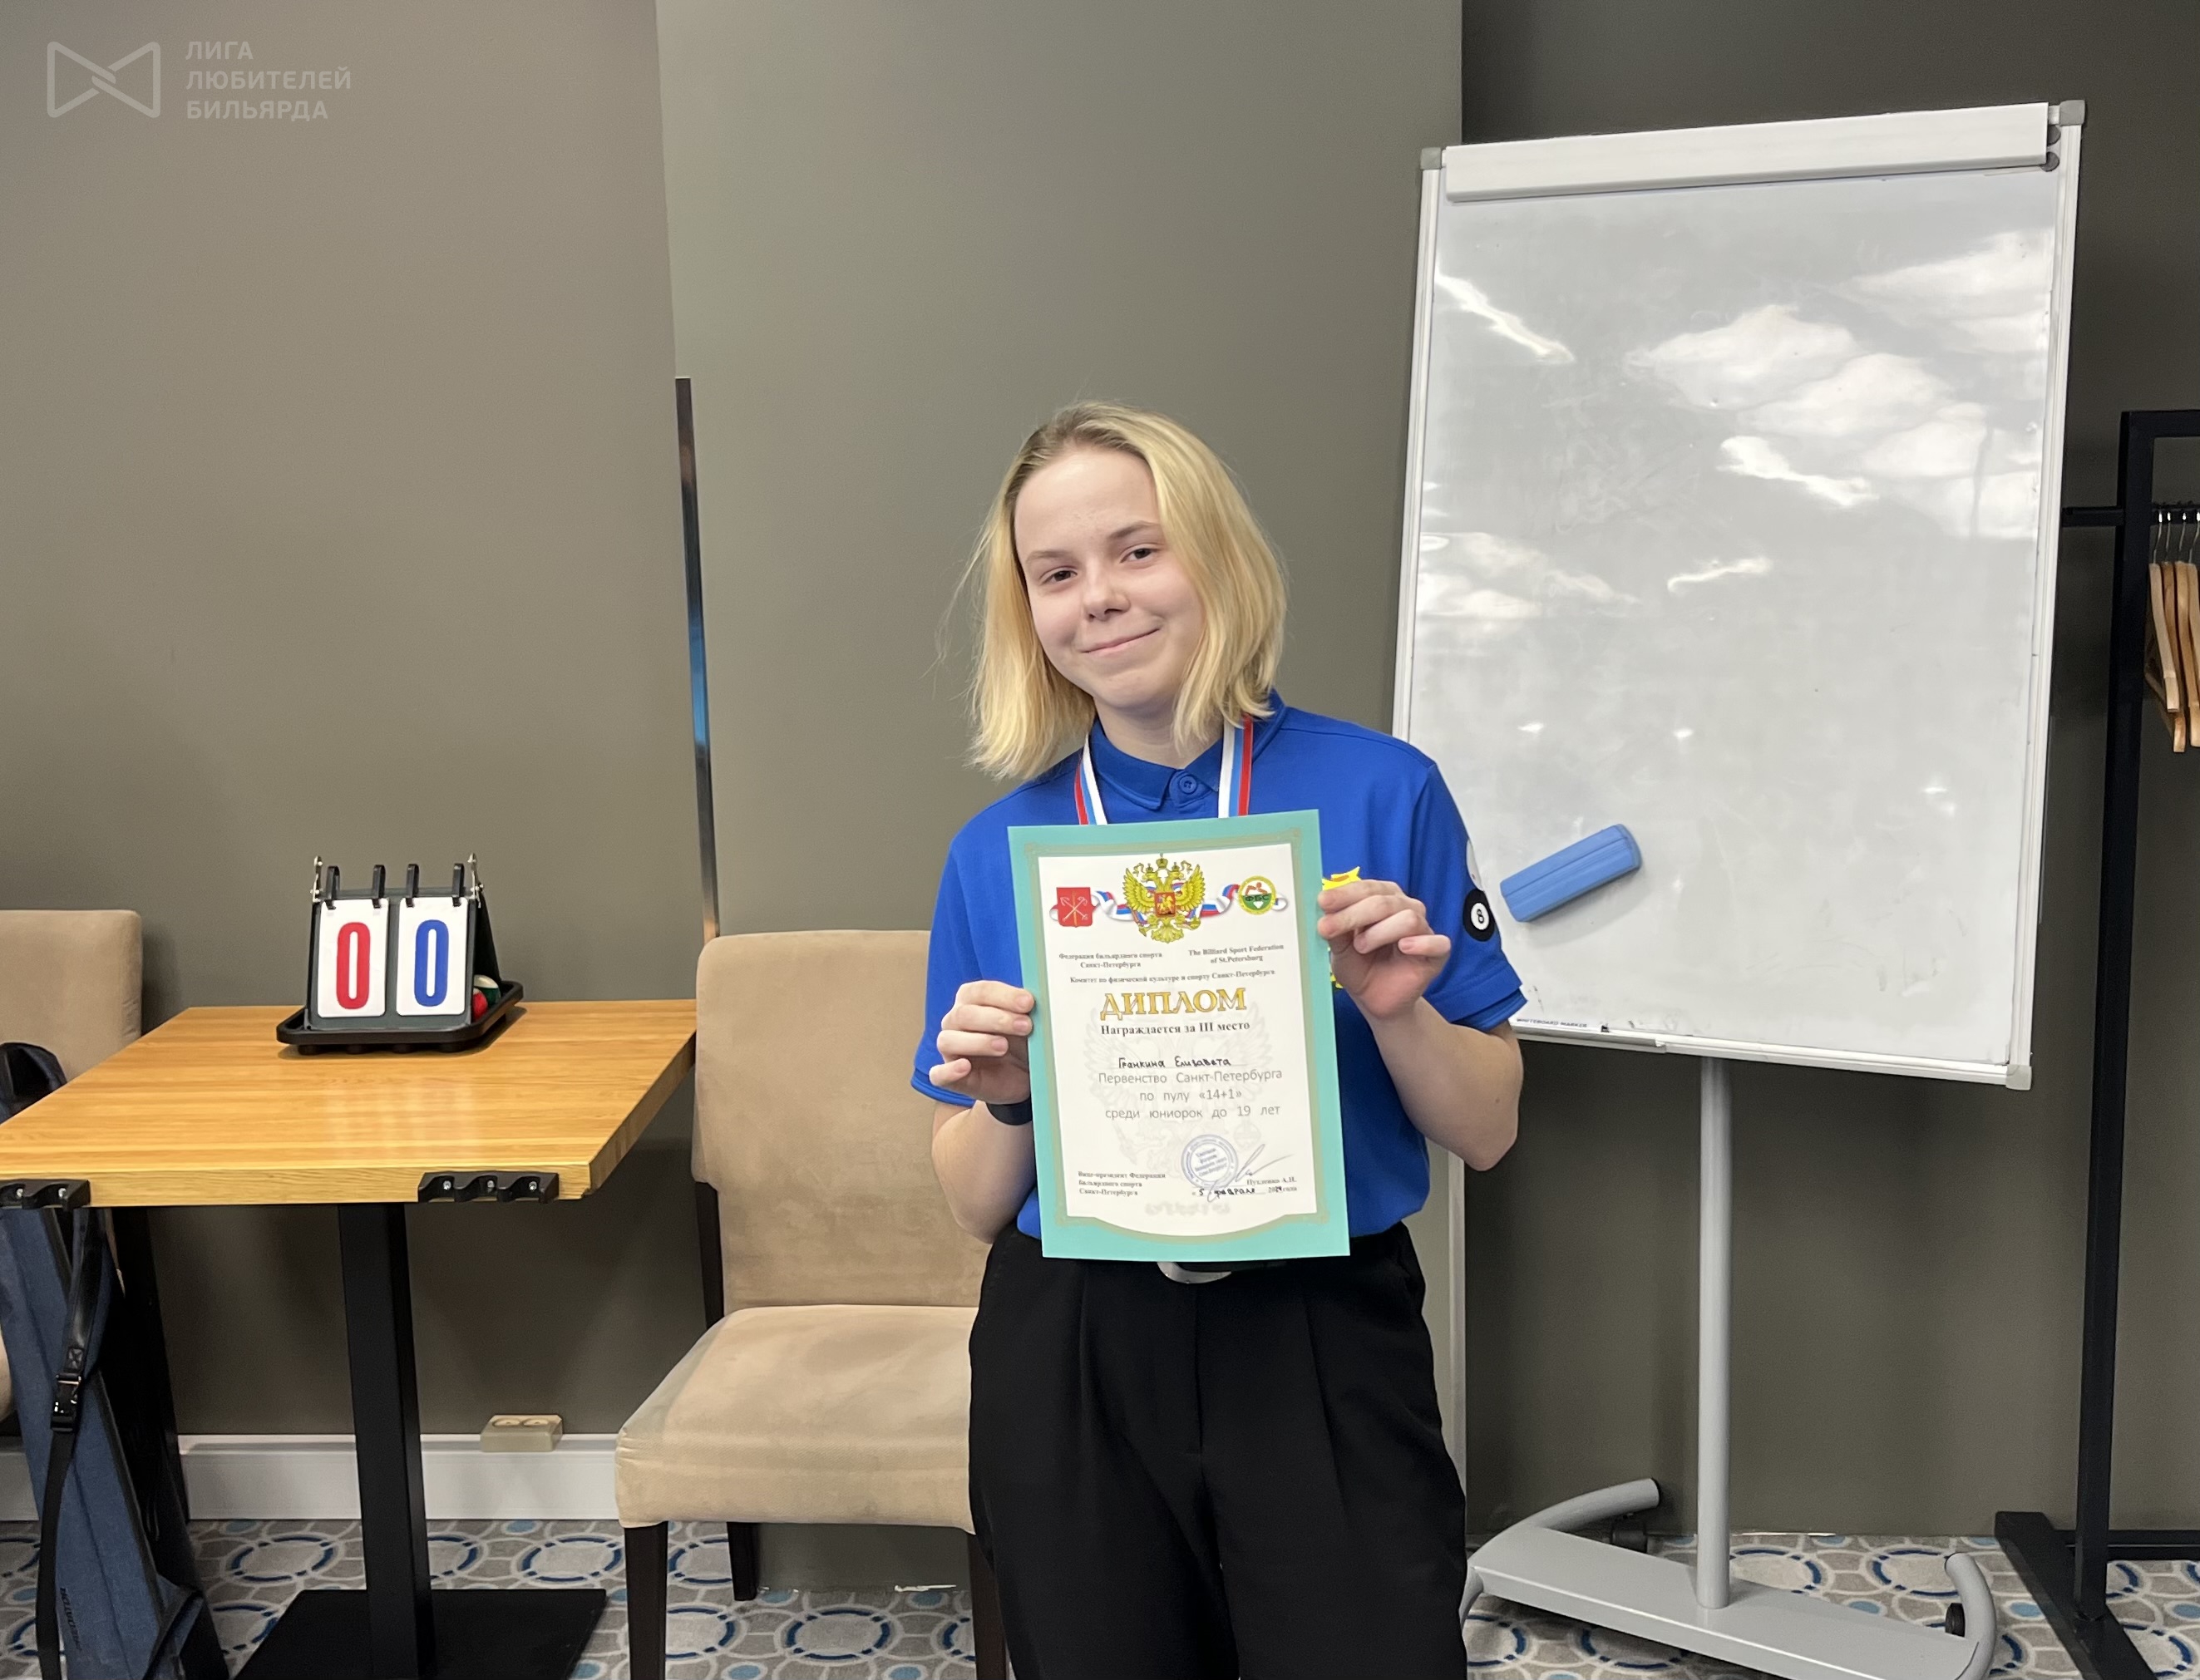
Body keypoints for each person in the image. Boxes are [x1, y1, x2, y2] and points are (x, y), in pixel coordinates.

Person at [914, 402, 1524, 1680]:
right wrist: (1014, 1099)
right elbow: (972, 1201)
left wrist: (1394, 1006)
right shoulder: (997, 849)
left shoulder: (1382, 788)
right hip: (1077, 1339)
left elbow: (1486, 1127)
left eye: (1137, 549)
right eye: (1054, 572)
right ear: (1028, 611)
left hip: (1317, 1326)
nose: (1098, 596)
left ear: (1216, 557)